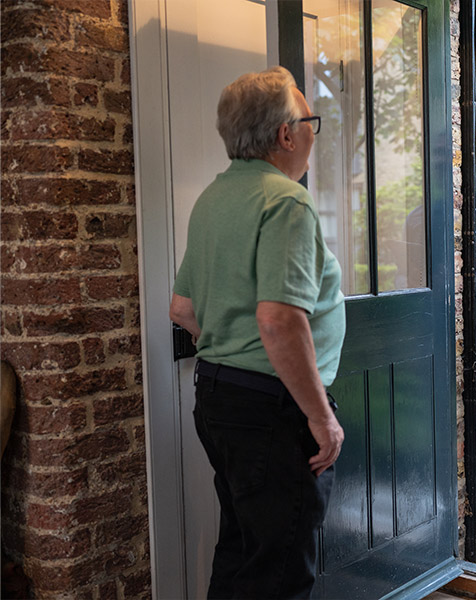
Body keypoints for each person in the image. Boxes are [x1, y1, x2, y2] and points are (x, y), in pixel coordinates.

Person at [169, 66, 345, 599]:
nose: (314, 131)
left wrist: (230, 351)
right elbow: (278, 319)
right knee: (280, 573)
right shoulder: (286, 200)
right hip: (273, 409)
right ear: (285, 134)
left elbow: (182, 307)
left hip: (220, 397)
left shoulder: (215, 197)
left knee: (244, 554)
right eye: (310, 120)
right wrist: (321, 418)